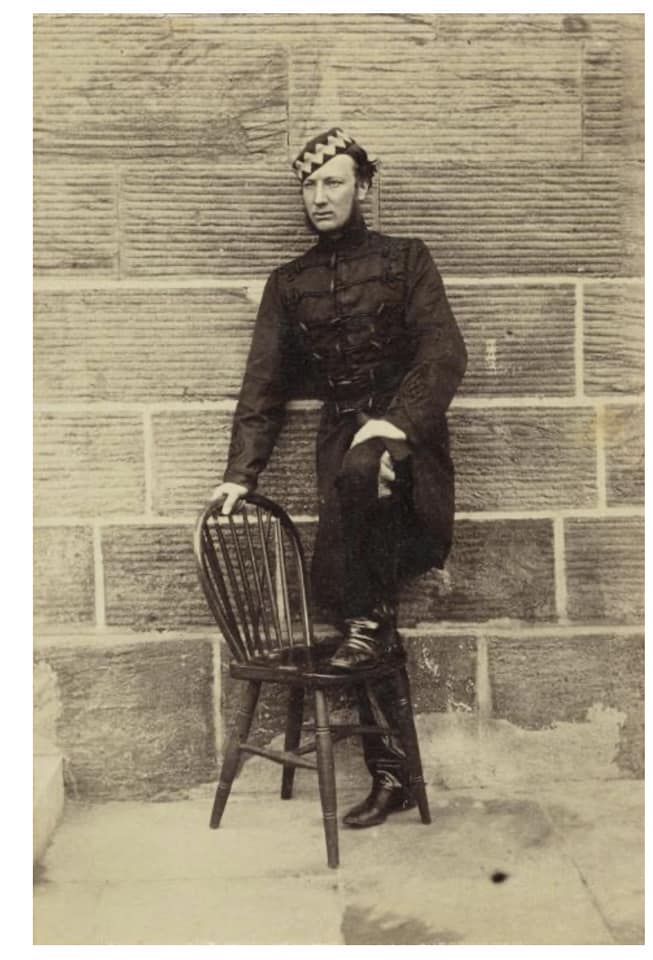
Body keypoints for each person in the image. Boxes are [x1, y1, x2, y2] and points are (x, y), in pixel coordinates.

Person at [212, 127, 467, 828]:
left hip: (408, 447)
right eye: (309, 184)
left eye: (334, 182)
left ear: (363, 188)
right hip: (342, 457)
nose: (320, 196)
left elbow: (444, 351)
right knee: (361, 573)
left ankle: (368, 632)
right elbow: (261, 386)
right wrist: (240, 474)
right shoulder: (288, 284)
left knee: (366, 478)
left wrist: (395, 426)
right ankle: (392, 768)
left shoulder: (407, 258)